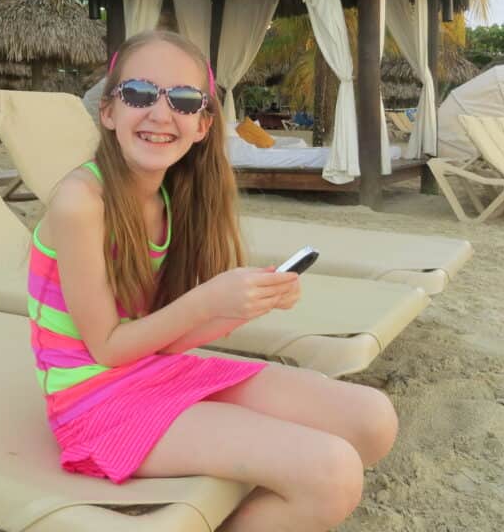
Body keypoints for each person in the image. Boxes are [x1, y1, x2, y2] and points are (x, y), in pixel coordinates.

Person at [30, 30, 397, 531]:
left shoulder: (171, 197)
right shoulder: (80, 202)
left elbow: (157, 336)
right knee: (331, 473)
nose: (161, 114)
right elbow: (109, 349)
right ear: (109, 111)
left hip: (151, 371)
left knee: (373, 420)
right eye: (139, 93)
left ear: (203, 124)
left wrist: (238, 309)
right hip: (93, 402)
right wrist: (208, 300)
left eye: (183, 100)